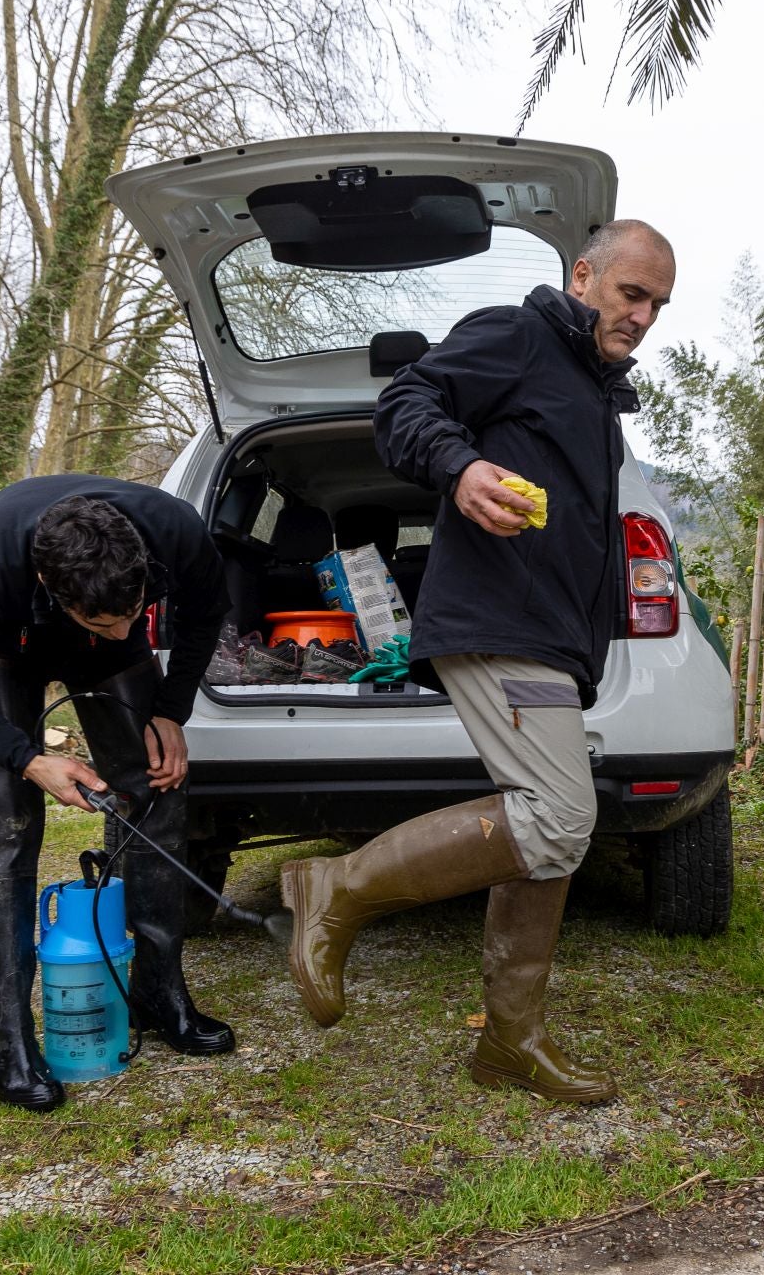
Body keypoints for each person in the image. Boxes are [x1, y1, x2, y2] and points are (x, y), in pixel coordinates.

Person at [279, 219, 676, 1104]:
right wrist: (459, 470)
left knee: (551, 838)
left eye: (657, 304)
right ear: (585, 277)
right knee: (562, 819)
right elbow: (406, 406)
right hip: (500, 619)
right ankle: (337, 886)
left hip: (550, 639)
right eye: (631, 293)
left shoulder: (593, 393)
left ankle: (509, 1042)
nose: (644, 316)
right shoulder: (521, 335)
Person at [0, 478, 234, 1112]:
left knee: (154, 787)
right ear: (49, 585)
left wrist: (170, 710)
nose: (123, 631)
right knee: (2, 826)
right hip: (2, 654)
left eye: (132, 612)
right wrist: (31, 759)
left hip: (91, 634)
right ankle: (9, 1041)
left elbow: (206, 617)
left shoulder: (174, 531)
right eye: (102, 619)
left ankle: (157, 990)